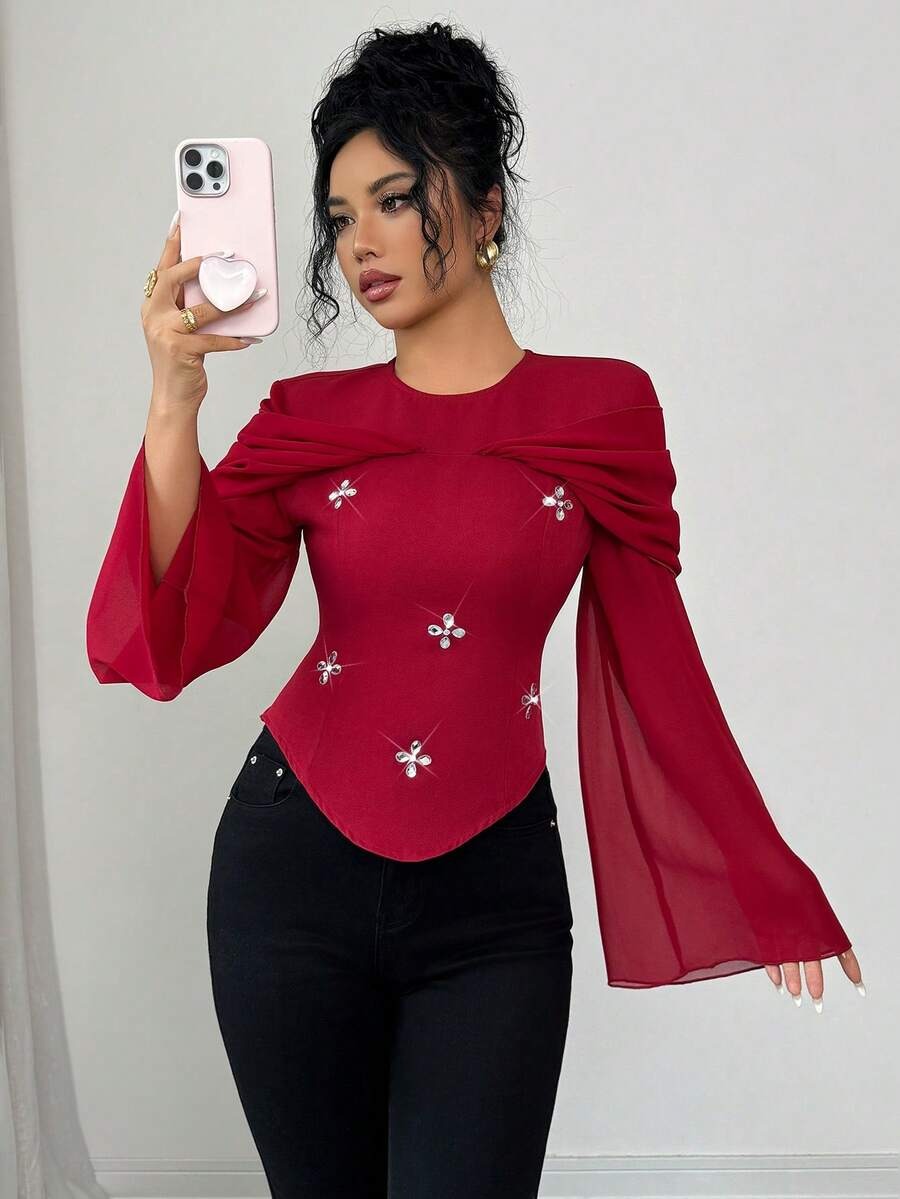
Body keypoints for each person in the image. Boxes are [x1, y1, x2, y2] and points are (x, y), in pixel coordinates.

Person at [85, 20, 863, 1199]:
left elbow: (657, 659)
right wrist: (171, 403)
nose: (361, 242)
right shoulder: (307, 419)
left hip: (495, 903)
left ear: (487, 207)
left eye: (396, 200)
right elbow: (176, 623)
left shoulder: (601, 416)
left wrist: (766, 874)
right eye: (340, 215)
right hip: (289, 873)